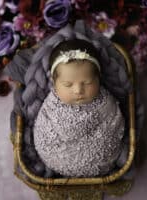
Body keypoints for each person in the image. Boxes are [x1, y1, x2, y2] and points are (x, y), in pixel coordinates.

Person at [33, 39, 125, 177]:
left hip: (102, 158)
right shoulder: (51, 104)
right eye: (67, 84)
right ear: (54, 82)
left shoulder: (106, 102)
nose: (78, 90)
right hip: (57, 157)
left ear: (98, 78)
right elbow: (44, 128)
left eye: (87, 82)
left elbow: (115, 123)